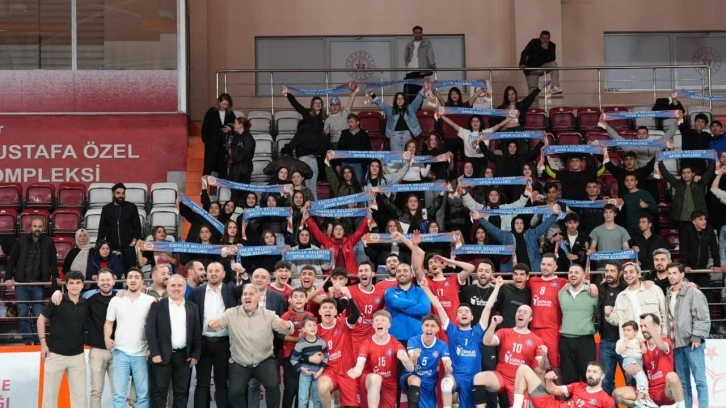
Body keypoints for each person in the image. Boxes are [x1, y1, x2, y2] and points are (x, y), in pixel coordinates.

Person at [208, 284, 295, 408]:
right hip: (239, 362)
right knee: (235, 392)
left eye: (251, 294)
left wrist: (288, 326)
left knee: (273, 387)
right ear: (241, 298)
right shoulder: (231, 313)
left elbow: (286, 328)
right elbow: (214, 327)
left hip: (264, 360)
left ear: (258, 297)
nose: (247, 297)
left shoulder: (269, 314)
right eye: (245, 294)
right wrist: (211, 325)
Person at [425, 276, 503, 408]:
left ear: (472, 317)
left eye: (467, 311)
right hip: (456, 378)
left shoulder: (478, 331)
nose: (464, 313)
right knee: (446, 384)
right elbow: (438, 306)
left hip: (474, 380)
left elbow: (488, 307)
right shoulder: (452, 330)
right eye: (460, 312)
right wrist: (425, 288)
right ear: (456, 318)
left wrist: (497, 287)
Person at [187, 261, 243, 408]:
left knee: (222, 383)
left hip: (224, 343)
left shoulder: (230, 289)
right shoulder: (197, 292)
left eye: (217, 271)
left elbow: (247, 288)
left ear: (223, 274)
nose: (213, 273)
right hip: (202, 342)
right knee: (202, 383)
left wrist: (243, 273)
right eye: (210, 270)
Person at [146, 275, 202, 408]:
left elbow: (196, 333)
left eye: (180, 285)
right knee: (159, 393)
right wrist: (155, 353)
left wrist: (195, 354)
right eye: (173, 285)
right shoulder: (157, 305)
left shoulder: (193, 307)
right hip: (161, 356)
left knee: (181, 394)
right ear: (167, 287)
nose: (176, 288)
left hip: (184, 357)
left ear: (185, 288)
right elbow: (150, 330)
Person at [473, 305, 547, 406]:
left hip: (520, 382)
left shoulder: (537, 340)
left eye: (525, 312)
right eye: (519, 311)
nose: (521, 313)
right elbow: (487, 341)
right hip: (501, 376)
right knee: (478, 378)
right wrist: (493, 324)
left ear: (530, 318)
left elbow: (542, 369)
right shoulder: (504, 332)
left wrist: (545, 356)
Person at [104, 268, 156, 408]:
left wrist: (152, 347)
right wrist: (107, 337)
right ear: (126, 281)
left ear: (142, 281)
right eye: (130, 277)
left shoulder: (150, 301)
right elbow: (109, 322)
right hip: (120, 352)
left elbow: (156, 326)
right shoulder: (116, 300)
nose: (133, 280)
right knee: (119, 395)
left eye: (136, 277)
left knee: (143, 395)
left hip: (142, 354)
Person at [611, 313, 686, 408]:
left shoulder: (665, 341)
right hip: (648, 391)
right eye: (641, 326)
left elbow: (661, 345)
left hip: (666, 391)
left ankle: (681, 406)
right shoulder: (640, 346)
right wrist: (628, 372)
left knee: (672, 376)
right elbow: (631, 372)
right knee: (616, 394)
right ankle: (646, 405)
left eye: (646, 326)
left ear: (656, 326)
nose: (642, 330)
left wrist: (650, 327)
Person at [38, 271, 88, 408]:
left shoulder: (86, 303)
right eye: (71, 283)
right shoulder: (57, 300)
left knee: (80, 398)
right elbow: (41, 319)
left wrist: (121, 293)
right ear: (66, 285)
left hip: (77, 357)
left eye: (78, 283)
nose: (75, 286)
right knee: (49, 398)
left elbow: (103, 292)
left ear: (83, 285)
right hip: (55, 355)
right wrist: (43, 344)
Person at [5, 217, 58, 344]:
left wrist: (55, 276)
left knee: (38, 314)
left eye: (40, 226)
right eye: (35, 226)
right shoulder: (21, 241)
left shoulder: (49, 242)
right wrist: (7, 277)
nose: (37, 229)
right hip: (21, 284)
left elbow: (53, 262)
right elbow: (12, 260)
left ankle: (39, 339)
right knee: (23, 313)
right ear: (30, 228)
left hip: (39, 284)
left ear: (43, 228)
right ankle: (28, 339)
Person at [665, 262, 711, 408]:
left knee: (700, 381)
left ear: (682, 274)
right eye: (669, 273)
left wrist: (697, 336)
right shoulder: (668, 294)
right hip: (676, 345)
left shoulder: (693, 292)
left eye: (674, 273)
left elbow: (702, 316)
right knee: (683, 383)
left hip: (692, 343)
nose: (671, 276)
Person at [347, 310, 415, 408]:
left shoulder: (396, 344)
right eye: (376, 320)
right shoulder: (366, 344)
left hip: (388, 384)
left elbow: (411, 368)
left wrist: (406, 359)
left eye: (383, 320)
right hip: (369, 381)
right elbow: (360, 364)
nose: (379, 322)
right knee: (376, 378)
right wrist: (356, 371)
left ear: (389, 325)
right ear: (373, 325)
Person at [281, 86, 329, 200]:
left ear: (322, 105)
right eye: (315, 103)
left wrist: (327, 132)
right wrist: (288, 94)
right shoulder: (307, 114)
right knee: (302, 187)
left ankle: (314, 209)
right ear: (312, 105)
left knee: (312, 188)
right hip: (303, 156)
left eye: (319, 103)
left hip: (315, 157)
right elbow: (296, 105)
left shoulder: (326, 119)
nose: (317, 104)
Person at [316, 297, 361, 408]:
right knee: (322, 387)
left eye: (331, 308)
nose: (327, 310)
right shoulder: (315, 330)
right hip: (329, 371)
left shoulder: (343, 323)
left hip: (347, 372)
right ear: (320, 312)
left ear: (336, 312)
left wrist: (350, 298)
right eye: (324, 307)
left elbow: (356, 315)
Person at [401, 314, 453, 408]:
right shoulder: (413, 341)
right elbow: (411, 366)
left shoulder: (442, 345)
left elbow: (448, 370)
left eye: (432, 326)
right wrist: (415, 357)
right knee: (416, 380)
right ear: (422, 327)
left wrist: (448, 367)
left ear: (437, 329)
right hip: (411, 375)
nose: (429, 328)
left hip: (429, 382)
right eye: (427, 325)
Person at [558, 264, 598, 385]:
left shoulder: (592, 293)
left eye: (576, 272)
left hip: (585, 341)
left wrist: (593, 285)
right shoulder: (561, 293)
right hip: (565, 341)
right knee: (568, 379)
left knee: (589, 378)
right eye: (570, 272)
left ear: (583, 276)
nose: (573, 275)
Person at [509, 362, 615, 408]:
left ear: (602, 376)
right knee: (523, 369)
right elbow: (553, 390)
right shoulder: (579, 386)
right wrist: (549, 380)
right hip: (551, 405)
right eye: (589, 371)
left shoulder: (606, 399)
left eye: (595, 372)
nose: (590, 375)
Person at [438, 114, 514, 177]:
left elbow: (499, 125)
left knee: (481, 182)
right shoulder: (466, 132)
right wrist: (441, 116)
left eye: (477, 121)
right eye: (473, 121)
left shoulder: (486, 132)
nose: (475, 123)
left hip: (482, 160)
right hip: (469, 161)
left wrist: (510, 117)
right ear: (470, 123)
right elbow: (452, 124)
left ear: (481, 123)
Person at [658, 159, 714, 243]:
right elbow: (667, 175)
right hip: (682, 221)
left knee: (698, 244)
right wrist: (660, 163)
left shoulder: (700, 183)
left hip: (697, 220)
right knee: (684, 244)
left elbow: (710, 172)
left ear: (693, 174)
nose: (686, 175)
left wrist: (712, 158)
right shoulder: (678, 184)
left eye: (688, 172)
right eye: (683, 173)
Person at [605, 262, 666, 338]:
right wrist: (608, 315)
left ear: (639, 274)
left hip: (653, 340)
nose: (628, 275)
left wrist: (664, 334)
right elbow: (618, 321)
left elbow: (664, 314)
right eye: (625, 273)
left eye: (631, 272)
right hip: (631, 342)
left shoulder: (654, 289)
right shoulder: (621, 296)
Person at [596, 260, 627, 395]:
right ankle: (610, 404)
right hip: (605, 342)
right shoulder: (600, 289)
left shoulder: (627, 289)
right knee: (606, 381)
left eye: (612, 271)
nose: (608, 274)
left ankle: (634, 404)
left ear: (620, 273)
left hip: (625, 341)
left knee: (630, 379)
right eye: (607, 271)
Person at [97, 183, 143, 270]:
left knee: (130, 273)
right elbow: (102, 229)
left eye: (123, 193)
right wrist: (99, 245)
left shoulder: (132, 207)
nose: (121, 195)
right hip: (112, 248)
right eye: (118, 193)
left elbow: (138, 227)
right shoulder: (106, 209)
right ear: (113, 194)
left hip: (129, 248)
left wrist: (133, 243)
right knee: (113, 273)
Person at [368, 86, 426, 151]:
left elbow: (418, 99)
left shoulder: (410, 108)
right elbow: (380, 104)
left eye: (402, 98)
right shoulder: (390, 110)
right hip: (394, 137)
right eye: (398, 99)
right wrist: (372, 94)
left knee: (406, 156)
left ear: (404, 100)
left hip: (407, 136)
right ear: (395, 101)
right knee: (395, 156)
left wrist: (424, 88)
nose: (400, 100)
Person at [347, 262, 387, 353]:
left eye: (366, 270)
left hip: (372, 337)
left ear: (373, 274)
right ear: (358, 275)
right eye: (361, 271)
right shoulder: (349, 290)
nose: (363, 273)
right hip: (353, 337)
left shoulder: (381, 293)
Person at [616, 321, 657, 408]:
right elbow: (619, 351)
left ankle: (646, 399)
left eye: (628, 330)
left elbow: (644, 351)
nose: (625, 332)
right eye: (624, 330)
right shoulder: (621, 341)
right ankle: (641, 398)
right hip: (629, 360)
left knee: (642, 378)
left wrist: (642, 344)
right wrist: (625, 343)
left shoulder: (638, 340)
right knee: (640, 376)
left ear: (635, 332)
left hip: (638, 361)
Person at [291, 316, 329, 408]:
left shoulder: (322, 342)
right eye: (309, 325)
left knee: (317, 400)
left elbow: (326, 357)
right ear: (303, 329)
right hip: (304, 375)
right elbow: (293, 359)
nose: (312, 327)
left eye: (314, 325)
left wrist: (321, 370)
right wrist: (302, 369)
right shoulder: (300, 344)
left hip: (318, 374)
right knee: (303, 400)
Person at [680, 210, 721, 286]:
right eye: (701, 219)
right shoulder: (687, 230)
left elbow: (714, 248)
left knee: (706, 289)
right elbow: (683, 249)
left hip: (703, 269)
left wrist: (717, 265)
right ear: (694, 222)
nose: (704, 221)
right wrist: (684, 265)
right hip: (689, 269)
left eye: (704, 219)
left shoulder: (709, 230)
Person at [201, 93, 236, 178]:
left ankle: (220, 186)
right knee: (209, 167)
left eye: (227, 105)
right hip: (212, 144)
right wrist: (207, 141)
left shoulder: (230, 113)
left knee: (222, 167)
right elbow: (205, 127)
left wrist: (230, 128)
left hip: (224, 145)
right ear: (219, 102)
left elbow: (236, 125)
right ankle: (206, 186)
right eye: (223, 104)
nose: (225, 106)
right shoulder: (211, 112)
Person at [403, 25, 436, 103]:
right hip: (410, 72)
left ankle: (418, 109)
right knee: (410, 93)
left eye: (419, 32)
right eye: (416, 33)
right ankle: (411, 109)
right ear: (413, 34)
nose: (417, 34)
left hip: (421, 72)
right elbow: (406, 56)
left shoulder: (427, 43)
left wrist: (432, 63)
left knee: (420, 93)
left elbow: (430, 53)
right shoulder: (409, 44)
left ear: (422, 33)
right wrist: (408, 65)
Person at [227, 116, 256, 204]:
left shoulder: (248, 138)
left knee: (243, 197)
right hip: (235, 170)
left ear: (241, 125)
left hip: (243, 171)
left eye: (235, 123)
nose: (234, 125)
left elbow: (243, 155)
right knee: (234, 196)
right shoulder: (236, 136)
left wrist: (233, 152)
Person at [338, 113, 372, 185]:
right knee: (344, 186)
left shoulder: (364, 134)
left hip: (358, 164)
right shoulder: (344, 133)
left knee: (358, 185)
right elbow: (339, 149)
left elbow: (368, 150)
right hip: (345, 163)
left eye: (351, 122)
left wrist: (367, 164)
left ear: (357, 123)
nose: (349, 124)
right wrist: (338, 164)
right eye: (348, 122)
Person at [494, 264, 532, 329]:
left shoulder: (530, 293)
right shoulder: (504, 289)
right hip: (503, 330)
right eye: (516, 274)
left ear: (527, 277)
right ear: (513, 276)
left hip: (520, 331)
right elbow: (496, 309)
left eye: (522, 274)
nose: (518, 277)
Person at [323, 84, 358, 149]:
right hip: (335, 143)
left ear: (340, 106)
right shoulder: (328, 120)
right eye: (332, 105)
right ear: (330, 107)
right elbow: (324, 133)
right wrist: (325, 132)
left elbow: (351, 100)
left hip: (347, 140)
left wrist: (354, 92)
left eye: (337, 104)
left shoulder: (345, 112)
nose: (335, 107)